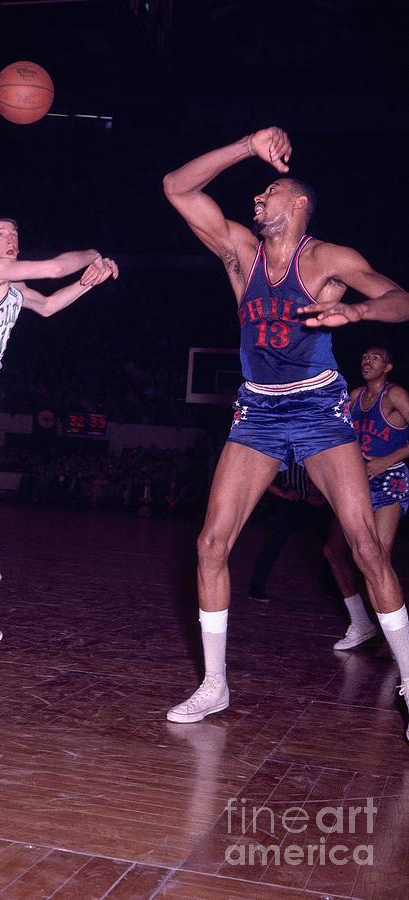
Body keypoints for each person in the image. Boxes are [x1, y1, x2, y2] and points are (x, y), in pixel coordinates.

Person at [162, 127, 409, 740]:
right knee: (211, 542)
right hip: (259, 410)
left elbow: (401, 299)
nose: (256, 200)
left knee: (365, 544)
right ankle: (215, 685)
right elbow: (176, 186)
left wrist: (355, 311)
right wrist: (247, 147)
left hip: (321, 408)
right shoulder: (239, 252)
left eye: (268, 192)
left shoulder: (328, 259)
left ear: (298, 205)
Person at [0, 217, 117, 643]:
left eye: (14, 233)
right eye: (1, 233)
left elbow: (48, 305)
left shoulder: (11, 288)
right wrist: (93, 255)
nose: (10, 238)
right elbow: (52, 268)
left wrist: (90, 281)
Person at [324, 346, 409, 650]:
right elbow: (335, 432)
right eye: (363, 357)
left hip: (390, 478)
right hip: (356, 482)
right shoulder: (355, 395)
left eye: (374, 357)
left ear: (388, 366)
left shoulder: (395, 395)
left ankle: (397, 639)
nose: (366, 360)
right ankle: (360, 623)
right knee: (334, 551)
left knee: (378, 557)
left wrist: (385, 460)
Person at [245, 460, 330, 603]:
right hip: (291, 501)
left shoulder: (317, 447)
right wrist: (282, 493)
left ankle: (333, 589)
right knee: (275, 542)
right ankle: (256, 587)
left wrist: (321, 498)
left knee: (331, 545)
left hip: (313, 502)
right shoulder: (286, 450)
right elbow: (259, 475)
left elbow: (328, 475)